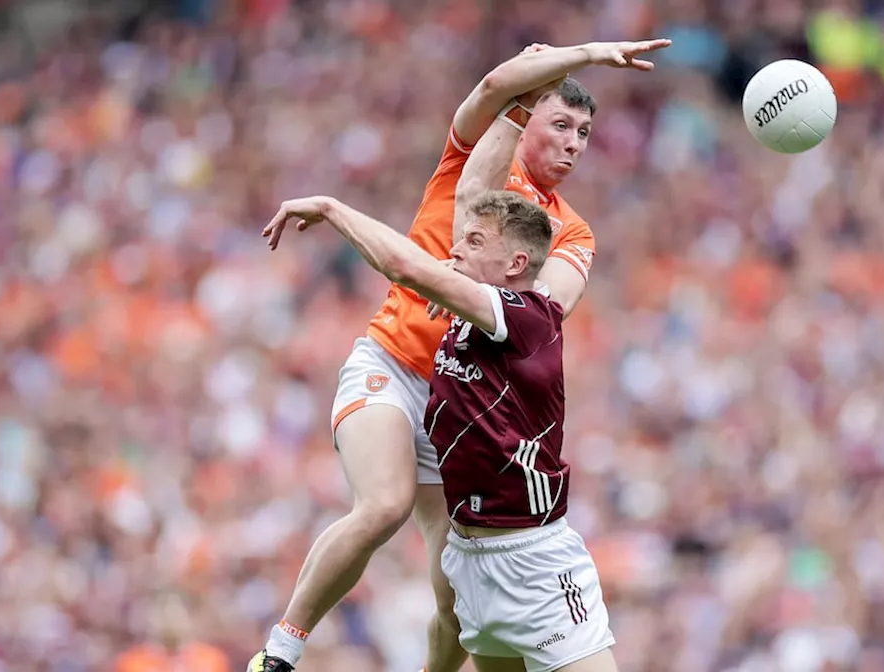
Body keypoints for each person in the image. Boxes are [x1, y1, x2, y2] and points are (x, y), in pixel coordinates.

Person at [248, 39, 670, 672]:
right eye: (562, 124)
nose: (575, 143)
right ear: (526, 116)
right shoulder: (471, 160)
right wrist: (587, 53)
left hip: (459, 402)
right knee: (384, 505)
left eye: (585, 133)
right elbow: (497, 83)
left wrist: (481, 300)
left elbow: (548, 307)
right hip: (393, 366)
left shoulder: (569, 229)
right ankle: (280, 652)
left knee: (456, 595)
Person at [262, 189, 617, 671]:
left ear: (515, 263)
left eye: (472, 241)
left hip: (535, 562)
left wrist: (331, 208)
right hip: (472, 563)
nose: (454, 249)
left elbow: (405, 266)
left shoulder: (525, 317)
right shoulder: (464, 314)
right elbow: (470, 188)